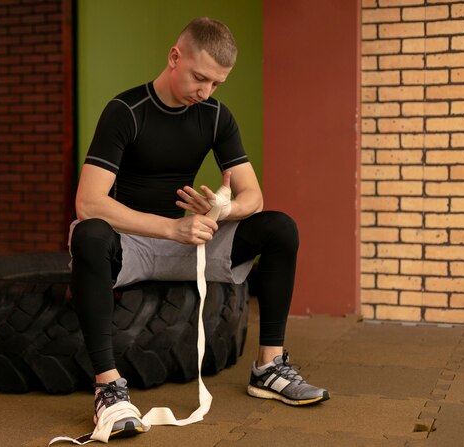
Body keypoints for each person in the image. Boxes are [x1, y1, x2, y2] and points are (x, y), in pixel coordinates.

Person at [69, 16, 329, 439]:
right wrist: (172, 229)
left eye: (216, 84)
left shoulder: (214, 116)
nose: (206, 92)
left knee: (280, 227)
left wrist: (219, 212)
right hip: (132, 244)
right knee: (89, 233)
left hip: (194, 242)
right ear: (175, 57)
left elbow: (253, 197)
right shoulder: (125, 111)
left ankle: (269, 366)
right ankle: (109, 390)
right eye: (200, 78)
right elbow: (88, 201)